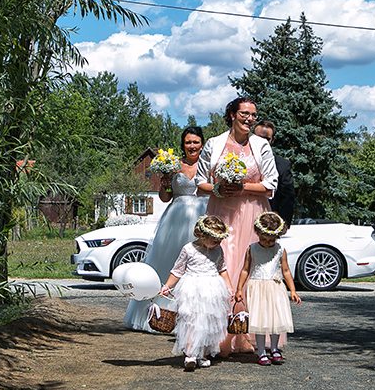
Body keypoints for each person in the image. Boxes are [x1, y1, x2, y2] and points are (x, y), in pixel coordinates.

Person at [196, 97, 279, 355]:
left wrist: (242, 187)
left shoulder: (261, 145)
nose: (249, 118)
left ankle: (249, 334)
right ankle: (216, 336)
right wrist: (219, 189)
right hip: (221, 214)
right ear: (232, 115)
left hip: (252, 214)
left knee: (249, 272)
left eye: (253, 114)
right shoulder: (214, 144)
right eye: (244, 113)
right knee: (220, 271)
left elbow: (271, 185)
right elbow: (200, 184)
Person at [124, 127, 209, 331]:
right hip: (176, 217)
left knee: (197, 266)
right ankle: (160, 315)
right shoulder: (173, 166)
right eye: (188, 142)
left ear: (202, 144)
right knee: (168, 263)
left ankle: (194, 316)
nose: (192, 146)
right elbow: (165, 197)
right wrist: (165, 183)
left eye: (196, 142)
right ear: (183, 145)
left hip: (202, 215)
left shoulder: (208, 166)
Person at [160, 216, 234, 371]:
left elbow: (222, 268)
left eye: (220, 241)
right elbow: (178, 270)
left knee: (208, 322)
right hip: (192, 288)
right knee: (192, 321)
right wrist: (167, 285)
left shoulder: (218, 250)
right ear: (202, 236)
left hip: (212, 288)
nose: (218, 244)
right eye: (215, 240)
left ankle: (204, 354)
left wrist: (229, 287)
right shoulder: (188, 249)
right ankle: (190, 354)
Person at [235, 211, 301, 365]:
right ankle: (261, 352)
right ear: (257, 234)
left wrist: (292, 290)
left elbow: (285, 271)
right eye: (263, 239)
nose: (267, 243)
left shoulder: (279, 250)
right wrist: (239, 289)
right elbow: (245, 269)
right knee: (260, 320)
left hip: (275, 287)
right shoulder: (252, 249)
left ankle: (274, 348)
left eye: (271, 240)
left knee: (275, 319)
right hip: (257, 287)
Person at [253, 121, 296, 226]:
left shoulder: (282, 165)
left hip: (269, 223)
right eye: (258, 137)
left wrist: (283, 225)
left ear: (272, 140)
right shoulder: (240, 160)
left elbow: (287, 198)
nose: (262, 142)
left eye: (266, 139)